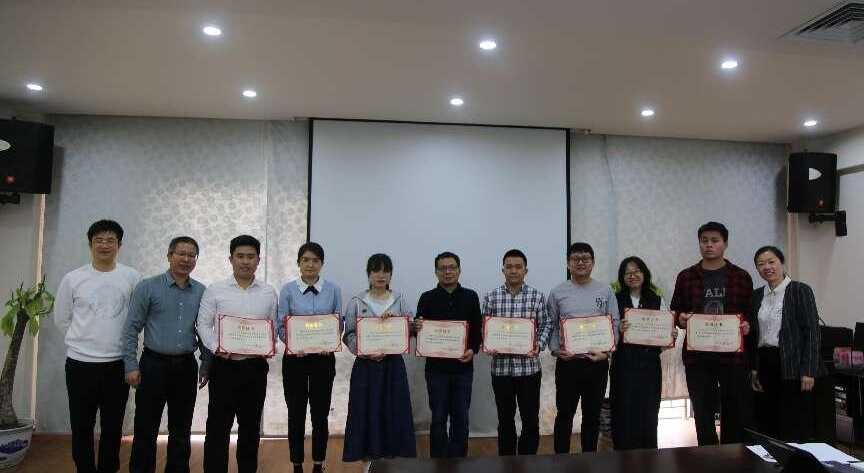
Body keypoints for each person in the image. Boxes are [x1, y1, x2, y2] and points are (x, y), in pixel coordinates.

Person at [53, 219, 142, 473]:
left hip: (117, 364)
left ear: (119, 245)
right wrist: (84, 340)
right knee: (81, 425)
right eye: (99, 240)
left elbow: (137, 318)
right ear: (90, 244)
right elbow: (61, 318)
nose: (104, 245)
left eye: (110, 240)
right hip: (80, 365)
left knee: (113, 426)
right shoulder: (73, 278)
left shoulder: (132, 277)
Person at [122, 236, 206, 473]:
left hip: (186, 366)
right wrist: (130, 365)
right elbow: (131, 328)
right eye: (181, 253)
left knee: (181, 429)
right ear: (169, 256)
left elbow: (205, 331)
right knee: (145, 428)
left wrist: (206, 364)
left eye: (191, 255)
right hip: (153, 364)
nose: (186, 259)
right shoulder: (147, 287)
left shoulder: (201, 291)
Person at [196, 235, 277, 473]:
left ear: (258, 260)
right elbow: (203, 325)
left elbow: (272, 327)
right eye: (240, 256)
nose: (245, 261)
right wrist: (217, 348)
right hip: (224, 366)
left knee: (250, 428)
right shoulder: (215, 290)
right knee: (218, 428)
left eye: (250, 257)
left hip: (255, 368)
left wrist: (269, 345)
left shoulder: (268, 292)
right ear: (230, 259)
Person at [671, 221, 753, 445]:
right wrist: (681, 318)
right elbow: (676, 310)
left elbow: (750, 313)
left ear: (725, 243)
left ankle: (732, 457)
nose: (709, 245)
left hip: (733, 356)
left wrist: (748, 325)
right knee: (702, 411)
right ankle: (707, 457)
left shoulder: (741, 276)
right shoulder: (686, 276)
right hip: (697, 357)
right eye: (704, 241)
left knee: (734, 410)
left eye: (714, 240)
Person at [342, 253, 416, 472]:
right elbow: (349, 335)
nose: (381, 275)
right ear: (369, 274)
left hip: (393, 366)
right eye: (376, 270)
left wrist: (405, 325)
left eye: (385, 271)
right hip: (366, 367)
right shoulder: (357, 302)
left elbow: (410, 329)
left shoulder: (400, 300)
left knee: (394, 411)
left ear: (391, 274)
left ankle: (392, 461)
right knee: (366, 412)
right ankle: (368, 462)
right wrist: (364, 352)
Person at [276, 242, 342, 473]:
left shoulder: (333, 290)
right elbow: (281, 325)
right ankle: (296, 464)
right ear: (298, 262)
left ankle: (318, 463)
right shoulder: (287, 290)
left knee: (320, 414)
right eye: (305, 260)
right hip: (295, 360)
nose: (310, 264)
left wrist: (329, 342)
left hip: (323, 360)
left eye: (315, 260)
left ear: (321, 263)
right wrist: (294, 344)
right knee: (295, 413)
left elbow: (338, 322)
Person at [547, 243, 620, 453]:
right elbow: (551, 324)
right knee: (564, 415)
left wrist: (606, 353)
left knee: (592, 416)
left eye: (585, 258)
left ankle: (590, 458)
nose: (580, 262)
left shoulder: (605, 291)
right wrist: (555, 350)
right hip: (568, 364)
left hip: (596, 364)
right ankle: (561, 459)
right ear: (568, 263)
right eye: (575, 258)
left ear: (593, 262)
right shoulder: (558, 292)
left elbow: (614, 322)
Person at [747, 246, 823, 441]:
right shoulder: (756, 296)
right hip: (765, 362)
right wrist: (754, 369)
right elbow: (754, 335)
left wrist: (809, 370)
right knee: (767, 420)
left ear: (782, 263)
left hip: (793, 363)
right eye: (761, 264)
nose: (767, 267)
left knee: (792, 421)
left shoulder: (799, 290)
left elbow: (812, 332)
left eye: (771, 262)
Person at [482, 249, 552, 456]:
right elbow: (484, 328)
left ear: (525, 270)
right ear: (503, 270)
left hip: (529, 370)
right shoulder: (491, 297)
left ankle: (527, 461)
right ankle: (507, 461)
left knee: (530, 419)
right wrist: (488, 343)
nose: (513, 270)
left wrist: (539, 344)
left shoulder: (537, 296)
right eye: (509, 266)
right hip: (501, 370)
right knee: (505, 419)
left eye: (518, 267)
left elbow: (546, 324)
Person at [415, 251, 482, 458]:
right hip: (436, 371)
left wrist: (472, 350)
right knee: (438, 419)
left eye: (452, 267)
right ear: (436, 272)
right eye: (443, 268)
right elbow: (418, 330)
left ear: (459, 270)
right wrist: (416, 326)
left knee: (461, 418)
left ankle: (459, 461)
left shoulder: (471, 296)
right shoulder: (426, 298)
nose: (448, 271)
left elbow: (477, 330)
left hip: (463, 369)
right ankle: (438, 462)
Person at [610, 256, 677, 450]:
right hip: (623, 365)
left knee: (648, 411)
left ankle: (648, 456)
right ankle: (622, 455)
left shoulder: (656, 299)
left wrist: (669, 336)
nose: (632, 276)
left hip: (649, 366)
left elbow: (665, 335)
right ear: (622, 277)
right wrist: (618, 330)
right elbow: (607, 333)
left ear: (644, 273)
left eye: (636, 271)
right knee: (622, 411)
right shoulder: (615, 299)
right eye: (627, 273)